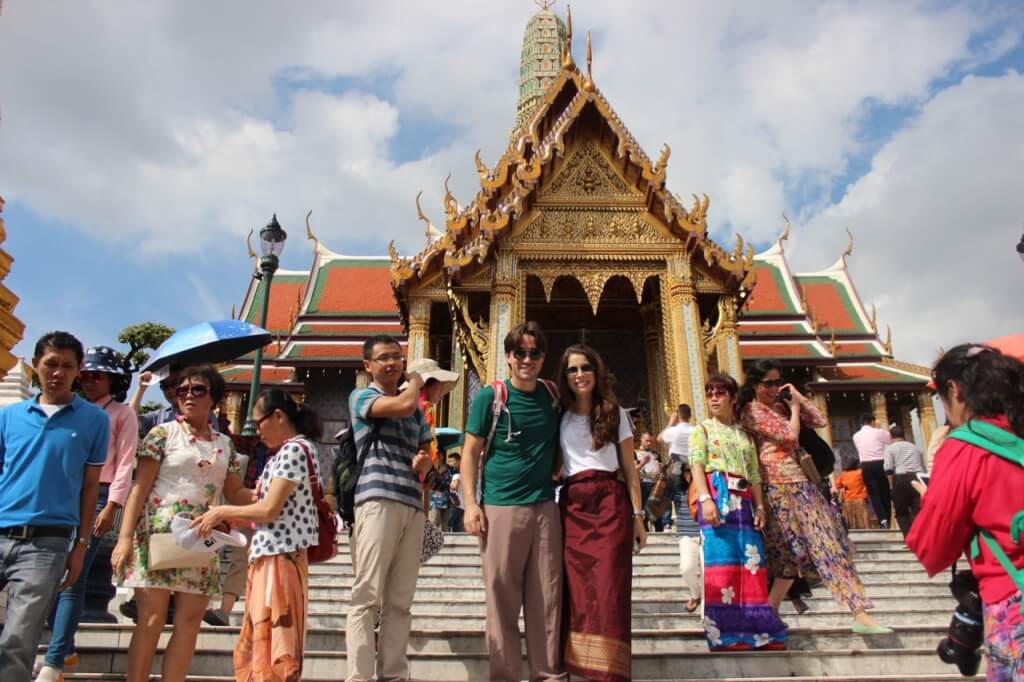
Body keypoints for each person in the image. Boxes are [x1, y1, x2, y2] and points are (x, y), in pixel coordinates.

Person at [111, 364, 249, 682]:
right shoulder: (162, 434)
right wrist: (125, 538)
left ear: (213, 398)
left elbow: (234, 492)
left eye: (197, 389)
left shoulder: (224, 445)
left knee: (189, 623)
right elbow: (139, 489)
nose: (187, 394)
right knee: (151, 619)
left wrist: (274, 492)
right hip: (158, 536)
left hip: (202, 538)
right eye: (182, 389)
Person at [739, 359, 891, 634]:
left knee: (829, 543)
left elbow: (819, 420)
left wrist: (797, 399)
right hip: (776, 487)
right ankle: (769, 612)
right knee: (788, 555)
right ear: (755, 385)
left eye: (777, 382)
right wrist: (795, 410)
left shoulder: (782, 405)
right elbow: (790, 437)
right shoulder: (752, 412)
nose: (774, 388)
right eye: (768, 384)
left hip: (803, 483)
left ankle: (858, 611)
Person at [907, 344, 1024, 681]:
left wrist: (932, 499)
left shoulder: (965, 448)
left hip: (1012, 597)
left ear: (954, 390)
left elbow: (932, 548)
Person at [191, 389, 323, 681]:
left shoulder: (292, 450)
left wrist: (222, 513)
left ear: (278, 416)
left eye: (258, 422)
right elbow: (264, 504)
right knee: (265, 637)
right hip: (271, 554)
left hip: (280, 557)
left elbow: (268, 510)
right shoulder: (290, 451)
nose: (255, 430)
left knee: (273, 637)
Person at [0, 332, 108, 682]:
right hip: (1, 527)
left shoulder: (94, 420)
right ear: (34, 366)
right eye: (50, 364)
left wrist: (80, 547)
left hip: (48, 544)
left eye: (67, 366)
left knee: (19, 638)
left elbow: (91, 487)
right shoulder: (9, 416)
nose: (57, 373)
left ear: (78, 371)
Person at [461, 321, 565, 682]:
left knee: (547, 599)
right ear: (507, 356)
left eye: (534, 353)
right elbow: (470, 451)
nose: (527, 359)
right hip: (501, 507)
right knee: (502, 598)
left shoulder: (553, 396)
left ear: (543, 358)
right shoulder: (491, 397)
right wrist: (471, 505)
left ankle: (547, 675)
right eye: (519, 352)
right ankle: (505, 676)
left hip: (545, 506)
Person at [39, 346, 139, 681]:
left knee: (74, 575)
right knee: (52, 573)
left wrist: (113, 504)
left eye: (99, 375)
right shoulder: (72, 410)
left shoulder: (122, 414)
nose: (92, 381)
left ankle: (56, 656)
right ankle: (63, 647)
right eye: (87, 375)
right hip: (64, 493)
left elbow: (125, 463)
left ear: (112, 379)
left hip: (100, 496)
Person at [345, 335, 433, 682]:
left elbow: (425, 448)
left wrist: (425, 461)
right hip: (376, 498)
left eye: (397, 357)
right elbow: (403, 406)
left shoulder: (415, 413)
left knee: (400, 600)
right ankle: (360, 676)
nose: (392, 363)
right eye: (383, 358)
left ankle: (394, 674)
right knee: (367, 595)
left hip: (411, 502)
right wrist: (414, 381)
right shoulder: (362, 396)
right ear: (368, 366)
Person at [557, 344, 645, 680]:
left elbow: (630, 469)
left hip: (610, 504)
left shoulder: (615, 412)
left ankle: (608, 673)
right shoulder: (559, 416)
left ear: (596, 371)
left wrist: (639, 517)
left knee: (609, 590)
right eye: (572, 370)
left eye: (585, 368)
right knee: (577, 592)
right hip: (573, 505)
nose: (580, 375)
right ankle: (578, 667)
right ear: (565, 377)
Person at [689, 372, 787, 650]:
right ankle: (727, 634)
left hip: (744, 500)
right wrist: (706, 499)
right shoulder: (702, 430)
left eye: (720, 392)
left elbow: (754, 473)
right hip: (717, 497)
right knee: (722, 569)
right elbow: (696, 465)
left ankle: (758, 632)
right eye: (709, 393)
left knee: (751, 567)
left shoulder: (744, 434)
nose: (714, 398)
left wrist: (759, 506)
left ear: (733, 398)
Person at [659, 404, 701, 609]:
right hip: (692, 465)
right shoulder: (697, 430)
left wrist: (670, 422)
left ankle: (667, 521)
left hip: (679, 465)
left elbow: (660, 439)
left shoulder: (674, 431)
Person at [884, 424, 926, 538]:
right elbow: (923, 466)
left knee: (901, 511)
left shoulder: (890, 448)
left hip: (901, 478)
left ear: (891, 437)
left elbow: (888, 468)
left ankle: (908, 537)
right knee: (918, 510)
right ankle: (920, 536)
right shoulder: (915, 447)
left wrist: (891, 486)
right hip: (917, 478)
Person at [852, 412, 893, 528]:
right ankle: (887, 517)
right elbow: (890, 439)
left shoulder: (856, 436)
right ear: (872, 422)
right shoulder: (878, 432)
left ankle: (882, 519)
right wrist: (880, 427)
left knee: (874, 494)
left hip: (866, 465)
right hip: (880, 463)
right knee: (884, 491)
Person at [833, 444, 871, 530]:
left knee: (850, 522)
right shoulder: (860, 473)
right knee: (862, 520)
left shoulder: (843, 475)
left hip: (848, 501)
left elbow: (836, 486)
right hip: (860, 500)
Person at [634, 432, 664, 531]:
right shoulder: (635, 453)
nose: (649, 443)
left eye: (650, 441)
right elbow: (633, 470)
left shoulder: (655, 454)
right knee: (644, 511)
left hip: (655, 483)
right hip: (642, 484)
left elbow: (659, 468)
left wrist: (660, 468)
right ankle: (644, 531)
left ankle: (660, 530)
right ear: (641, 439)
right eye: (647, 441)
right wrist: (643, 463)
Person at [447, 452, 465, 532]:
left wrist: (446, 484)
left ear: (458, 460)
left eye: (452, 461)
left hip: (456, 502)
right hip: (462, 502)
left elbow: (454, 486)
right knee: (458, 524)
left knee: (451, 523)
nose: (451, 463)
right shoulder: (465, 471)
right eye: (449, 461)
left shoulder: (457, 473)